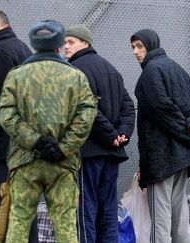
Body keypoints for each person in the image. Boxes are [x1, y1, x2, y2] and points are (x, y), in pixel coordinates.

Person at [0, 20, 97, 242]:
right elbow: (87, 114)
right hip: (63, 164)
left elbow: (6, 114)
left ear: (33, 45)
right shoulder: (76, 76)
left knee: (19, 224)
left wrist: (36, 142)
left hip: (24, 162)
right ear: (60, 45)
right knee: (66, 226)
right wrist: (63, 148)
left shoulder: (16, 75)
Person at [130, 28, 190, 243]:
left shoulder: (150, 73)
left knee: (160, 220)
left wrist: (186, 133)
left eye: (140, 46)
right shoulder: (176, 68)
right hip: (182, 156)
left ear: (151, 45)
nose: (136, 52)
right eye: (134, 47)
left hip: (162, 157)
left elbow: (162, 110)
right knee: (179, 216)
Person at [64, 24, 136, 243]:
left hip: (87, 153)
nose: (65, 46)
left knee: (85, 210)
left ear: (85, 43)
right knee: (108, 210)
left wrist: (111, 134)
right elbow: (128, 106)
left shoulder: (74, 71)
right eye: (65, 42)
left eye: (71, 42)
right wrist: (121, 133)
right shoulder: (110, 69)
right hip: (111, 153)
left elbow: (87, 111)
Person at [0, 9, 39, 242]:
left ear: (4, 26)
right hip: (24, 146)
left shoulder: (0, 53)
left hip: (7, 146)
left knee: (4, 210)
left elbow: (11, 102)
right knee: (24, 210)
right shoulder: (21, 48)